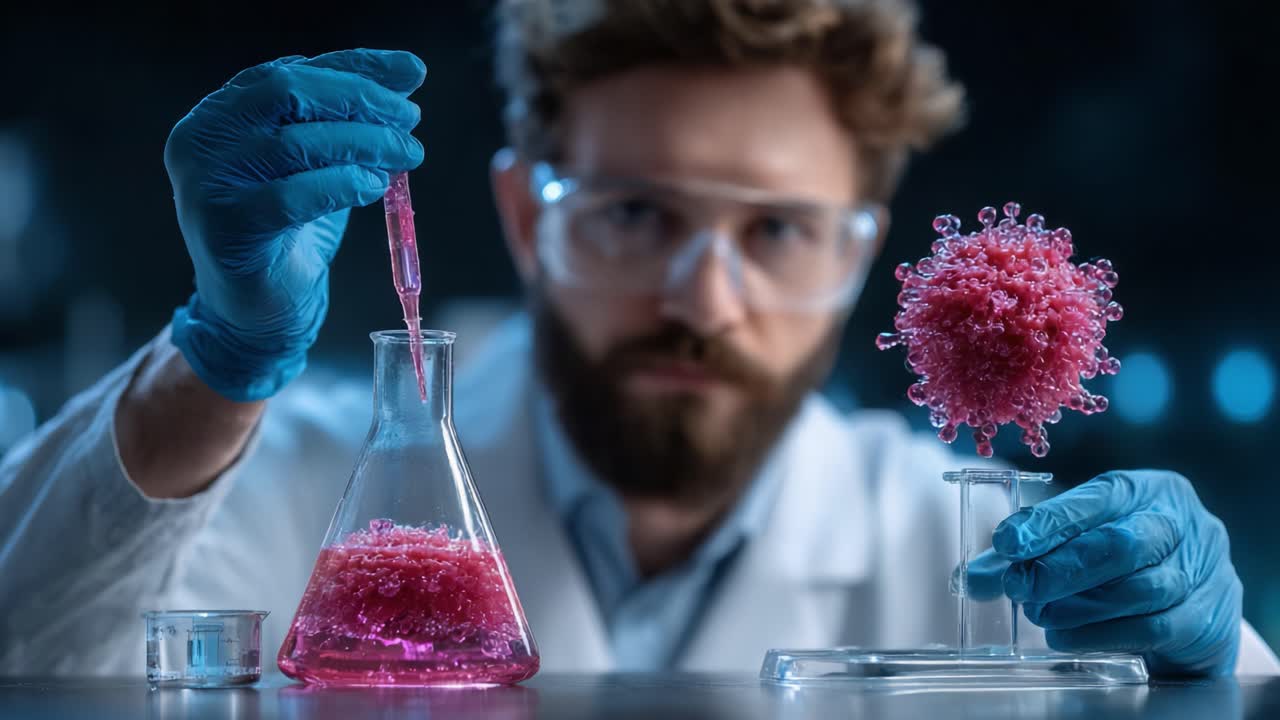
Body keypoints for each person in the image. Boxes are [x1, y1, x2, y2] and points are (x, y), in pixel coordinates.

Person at [1, 0, 1277, 677]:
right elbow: (28, 650)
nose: (700, 303)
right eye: (630, 212)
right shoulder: (298, 482)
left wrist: (1210, 667)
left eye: (777, 231)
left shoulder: (943, 537)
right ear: (520, 213)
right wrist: (214, 362)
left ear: (860, 256)